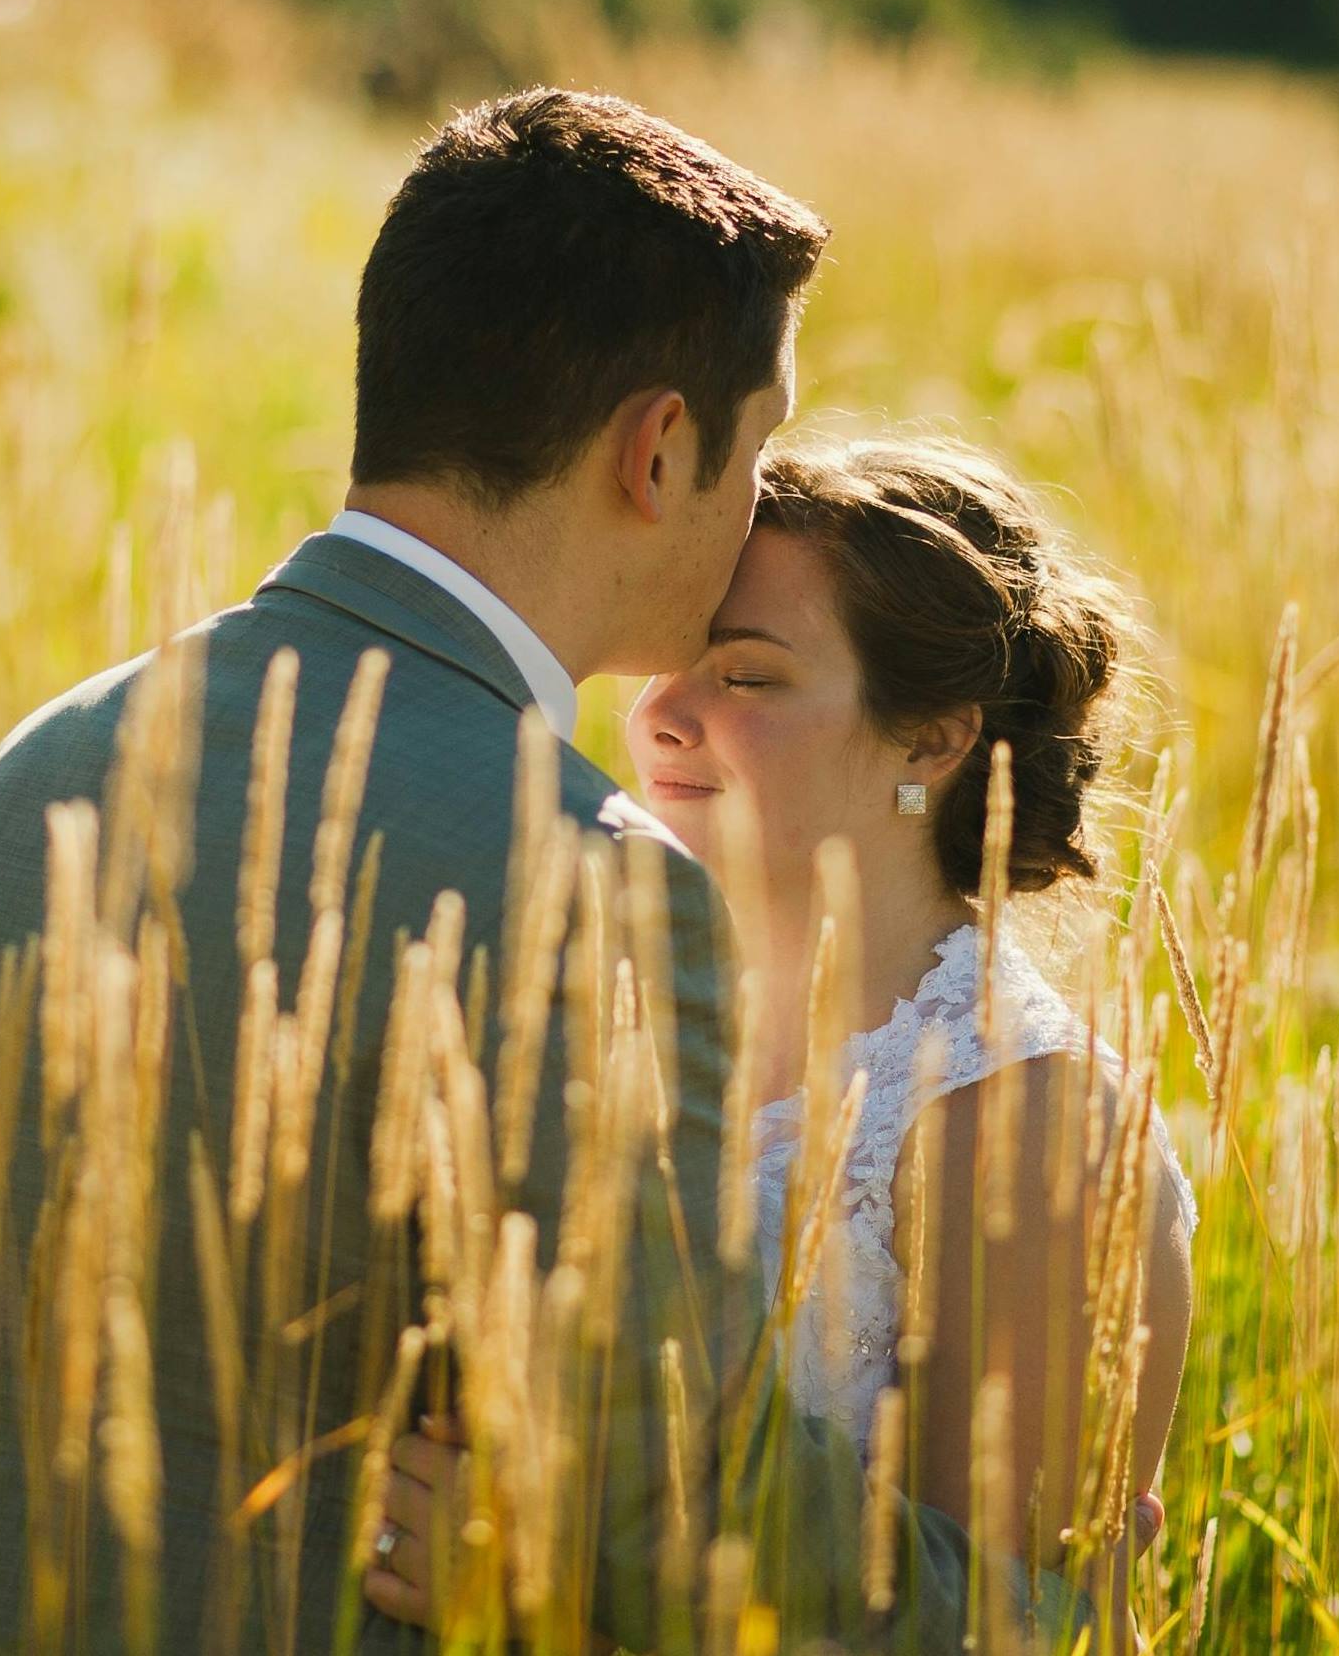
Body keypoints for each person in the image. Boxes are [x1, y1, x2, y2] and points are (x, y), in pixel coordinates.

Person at [0, 89, 1088, 1654]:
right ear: (658, 448)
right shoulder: (589, 888)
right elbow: (651, 1506)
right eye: (754, 447)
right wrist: (1035, 1615)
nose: (757, 503)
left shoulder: (34, 768)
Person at [362, 435, 1196, 1643]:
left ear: (931, 741)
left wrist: (530, 1605)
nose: (661, 715)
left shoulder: (1029, 1127)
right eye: (669, 664)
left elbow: (1010, 1631)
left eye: (746, 677)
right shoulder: (594, 1006)